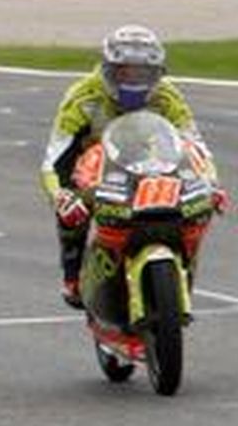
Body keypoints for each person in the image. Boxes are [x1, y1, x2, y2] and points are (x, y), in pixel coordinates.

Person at [39, 25, 223, 308]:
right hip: (93, 168)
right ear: (108, 69)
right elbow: (54, 160)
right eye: (125, 72)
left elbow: (195, 146)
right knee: (71, 210)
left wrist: (212, 183)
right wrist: (61, 196)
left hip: (154, 163)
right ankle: (72, 277)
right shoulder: (82, 97)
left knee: (198, 203)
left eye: (143, 74)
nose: (133, 81)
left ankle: (182, 270)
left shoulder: (168, 96)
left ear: (157, 74)